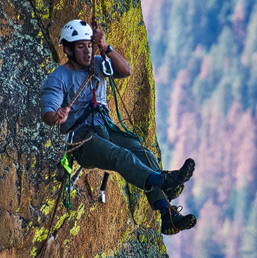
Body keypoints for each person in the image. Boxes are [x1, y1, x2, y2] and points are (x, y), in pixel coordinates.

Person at [41, 19, 196, 235]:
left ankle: (167, 215)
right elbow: (48, 114)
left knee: (144, 154)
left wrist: (105, 47)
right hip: (82, 140)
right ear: (67, 49)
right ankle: (163, 180)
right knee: (120, 156)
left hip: (107, 128)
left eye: (88, 45)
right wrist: (57, 115)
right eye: (80, 46)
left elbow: (126, 70)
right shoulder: (59, 78)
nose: (87, 51)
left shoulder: (97, 62)